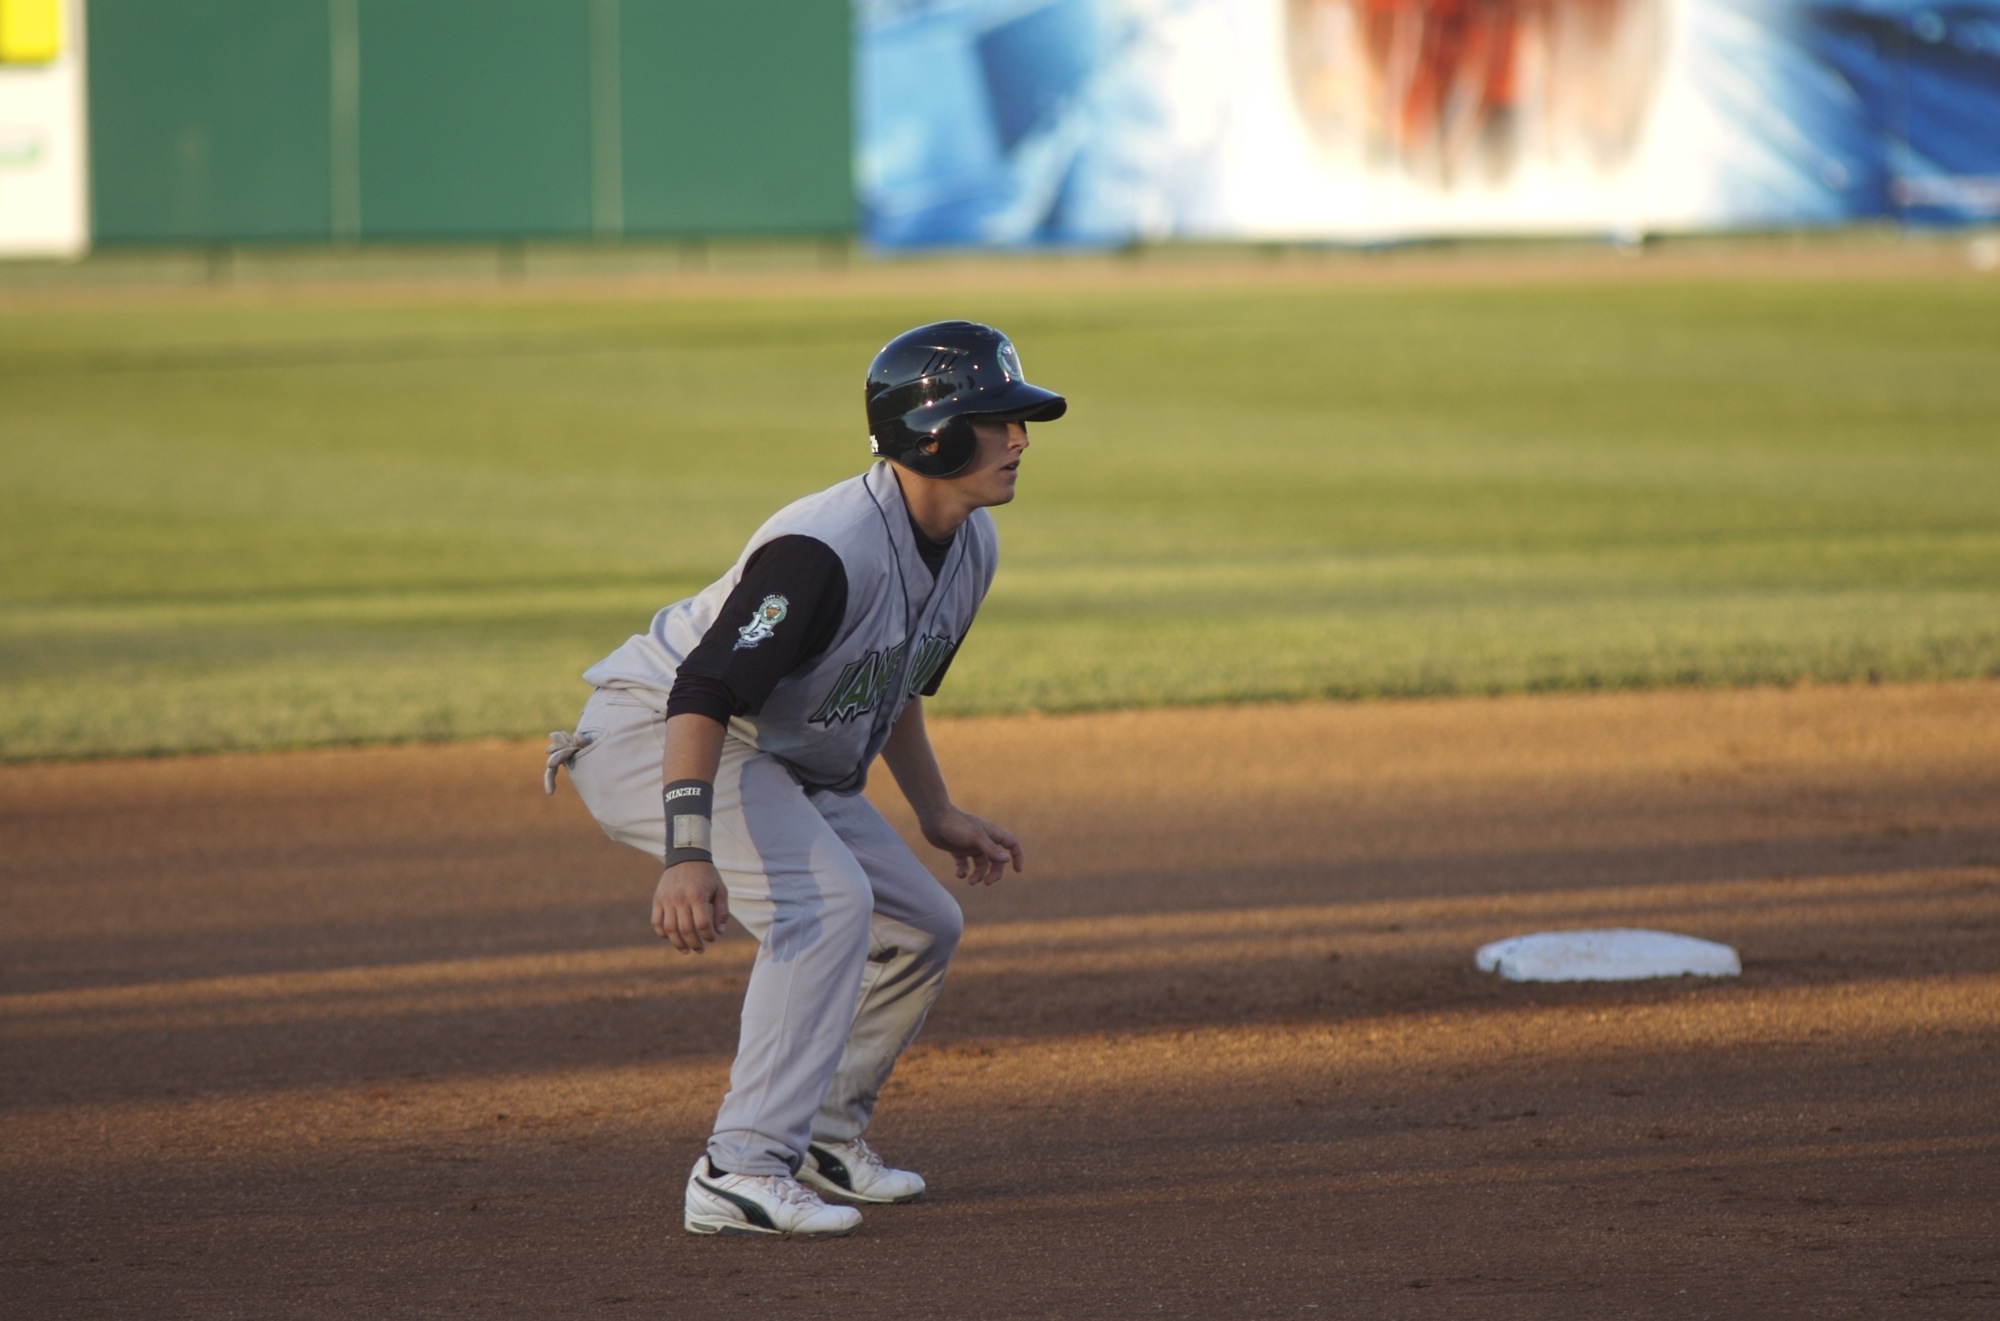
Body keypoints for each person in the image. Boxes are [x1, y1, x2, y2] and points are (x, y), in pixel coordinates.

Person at [544, 321, 1067, 1237]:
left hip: (773, 749)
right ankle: (738, 1169)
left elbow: (892, 679)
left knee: (920, 923)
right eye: (998, 420)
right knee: (826, 904)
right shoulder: (824, 549)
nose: (1020, 438)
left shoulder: (971, 546)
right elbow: (701, 688)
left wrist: (936, 812)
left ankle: (826, 1133)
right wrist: (688, 849)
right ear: (932, 432)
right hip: (655, 732)